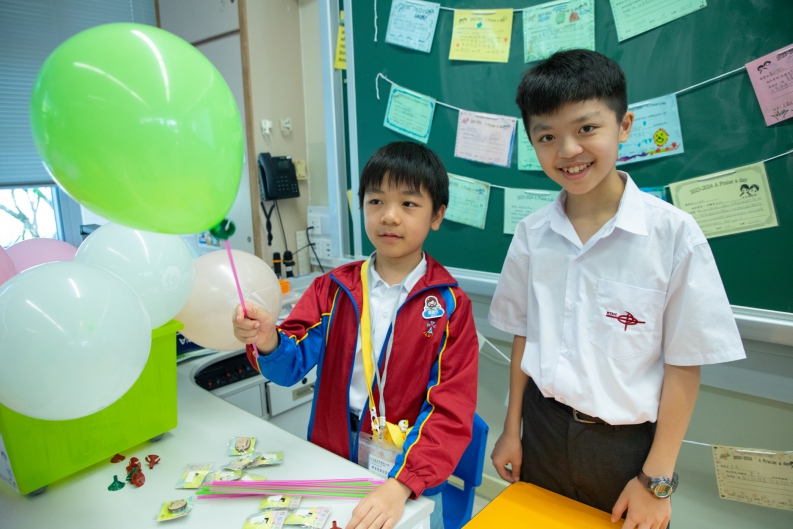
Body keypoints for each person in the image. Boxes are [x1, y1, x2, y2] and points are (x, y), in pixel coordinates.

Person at [488, 49, 745, 529]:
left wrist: (656, 480)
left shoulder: (673, 235)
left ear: (624, 125)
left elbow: (684, 363)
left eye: (586, 128)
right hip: (541, 430)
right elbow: (524, 333)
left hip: (625, 450)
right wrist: (511, 430)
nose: (568, 150)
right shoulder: (532, 234)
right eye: (547, 136)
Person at [233, 142, 479, 529]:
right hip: (332, 449)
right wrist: (266, 339)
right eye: (376, 201)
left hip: (408, 471)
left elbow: (450, 409)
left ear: (437, 215)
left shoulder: (450, 307)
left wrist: (402, 484)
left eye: (409, 204)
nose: (389, 216)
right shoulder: (333, 289)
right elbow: (287, 369)